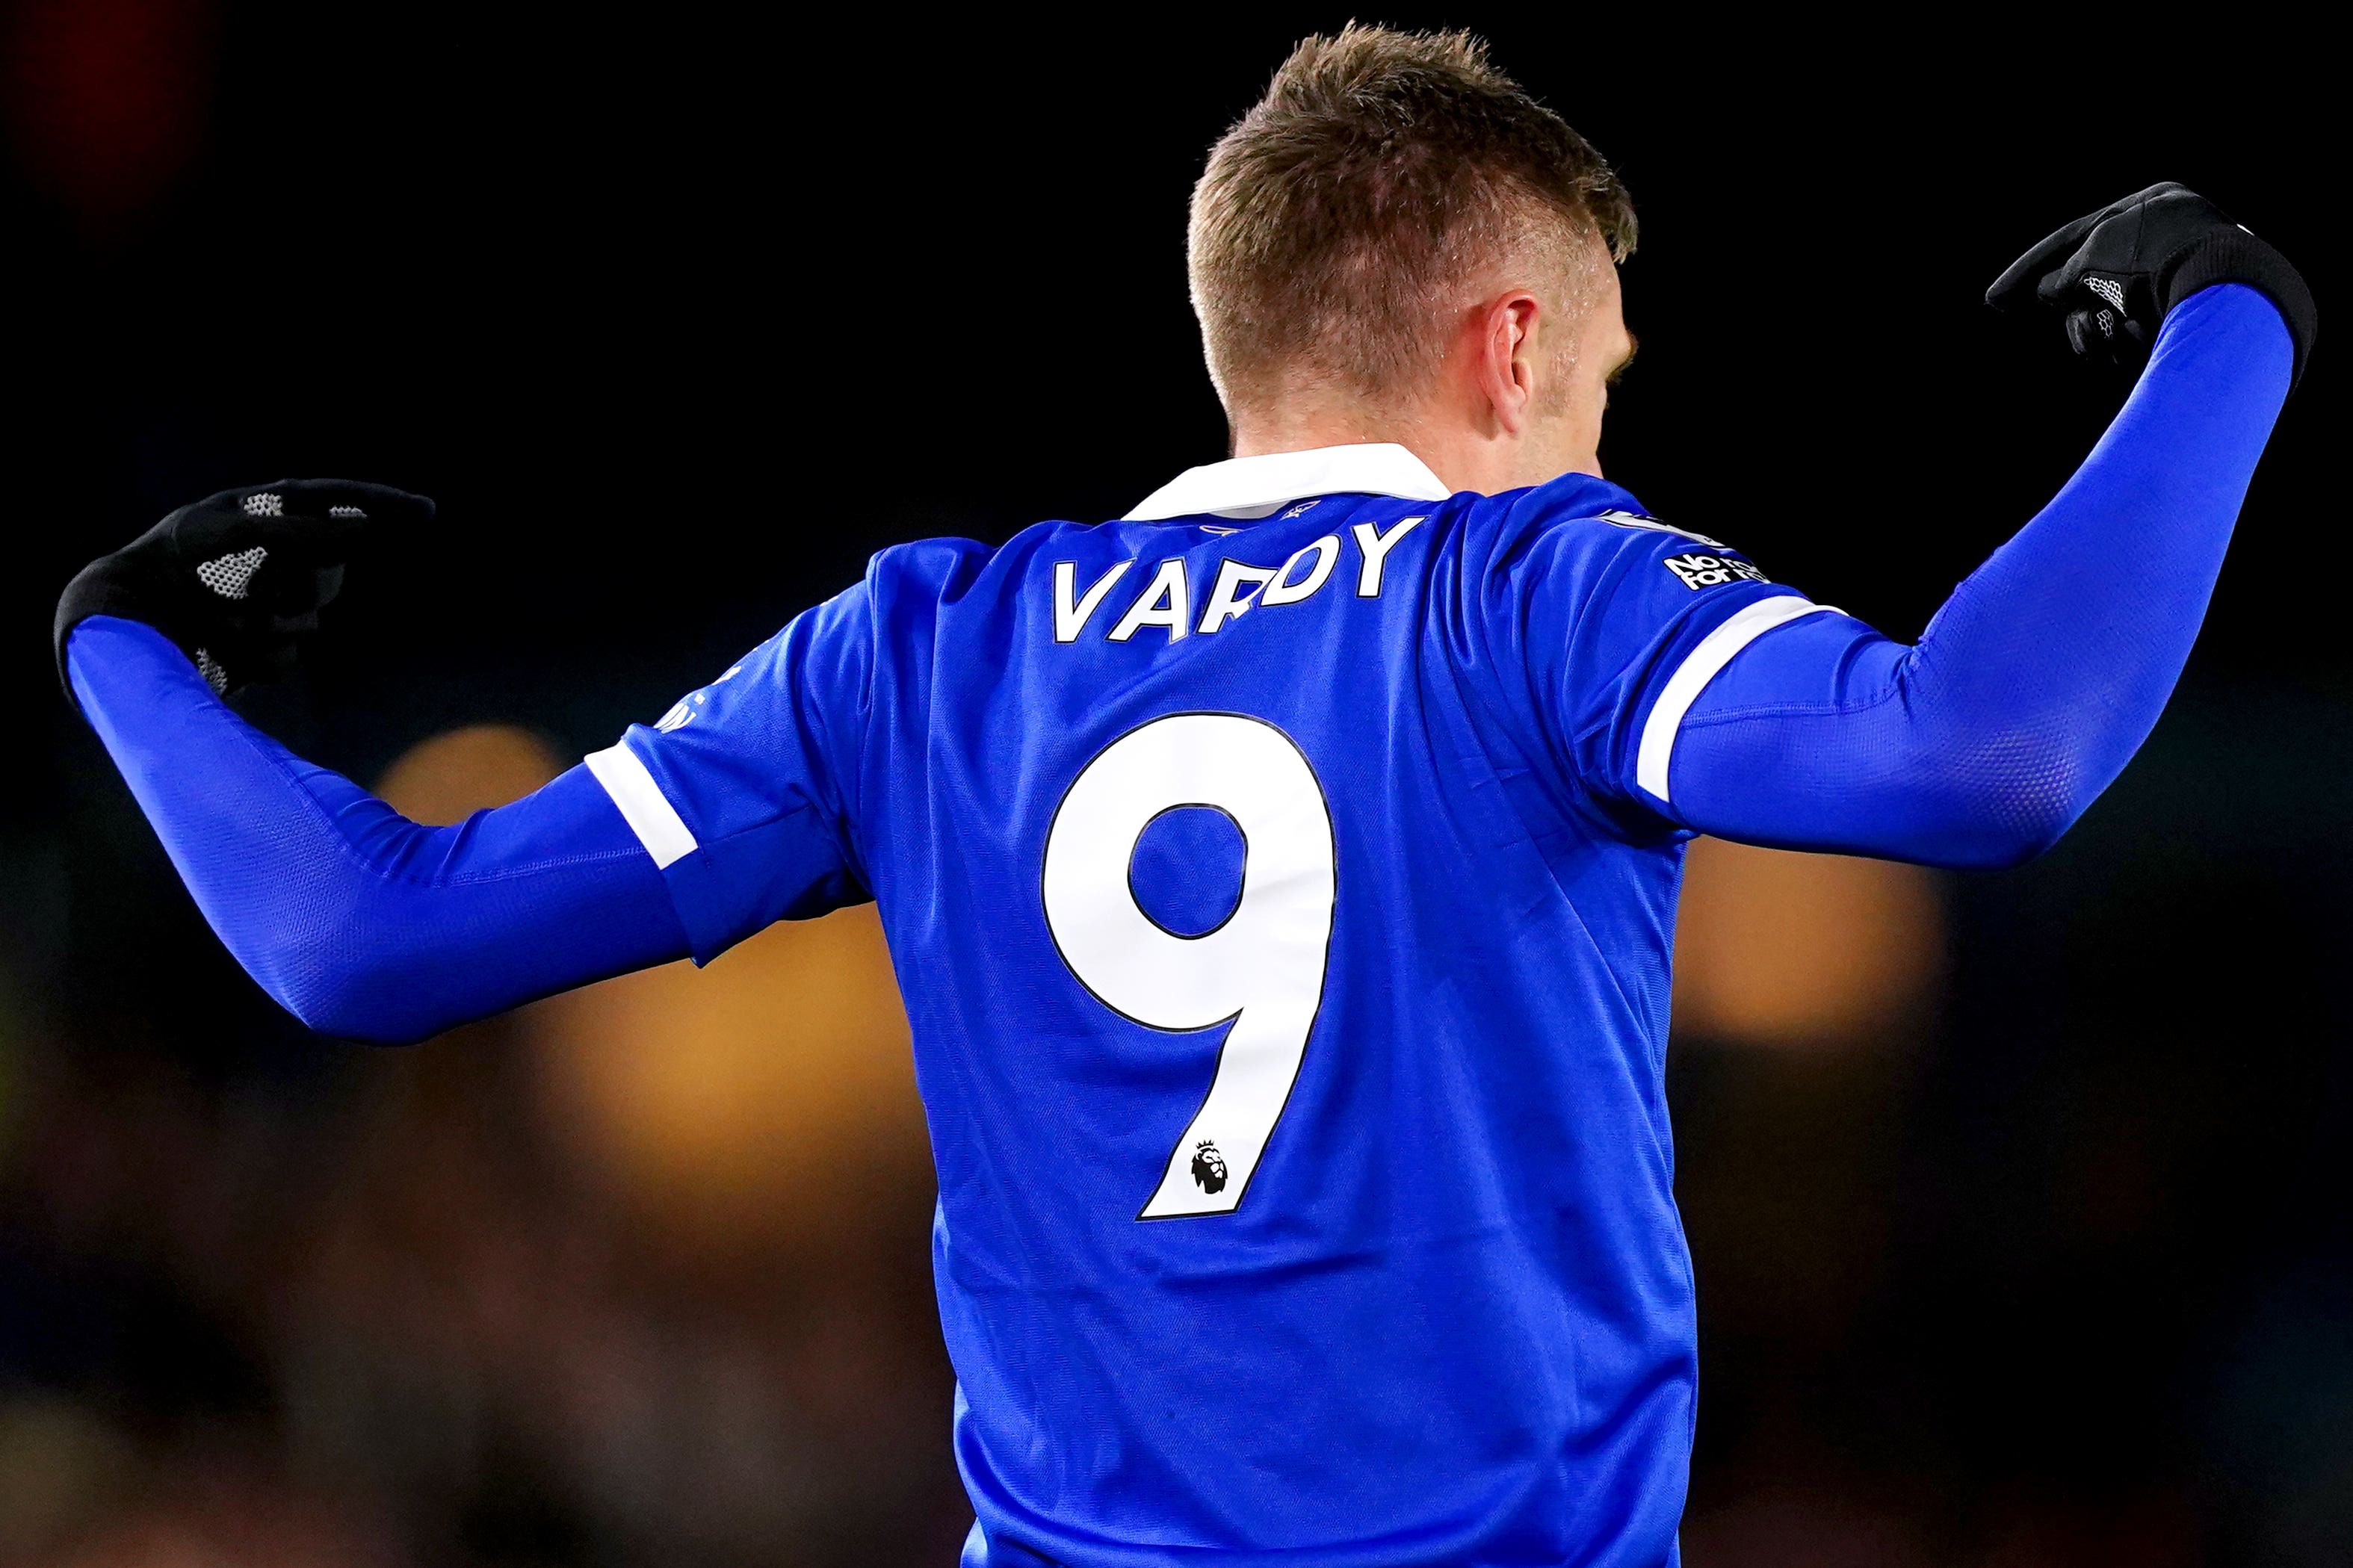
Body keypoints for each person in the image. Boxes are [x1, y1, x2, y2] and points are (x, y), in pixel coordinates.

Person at [52, 25, 2313, 1568]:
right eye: (1603, 366)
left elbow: (361, 934)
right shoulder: (1527, 588)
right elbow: (1988, 749)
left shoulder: (916, 649)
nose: (1606, 423)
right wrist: (2233, 324)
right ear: (1511, 344)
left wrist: (130, 653)